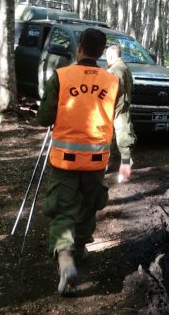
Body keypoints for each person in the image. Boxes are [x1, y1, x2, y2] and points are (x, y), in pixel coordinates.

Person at [36, 28, 135, 296]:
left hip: (64, 162)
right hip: (95, 162)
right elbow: (122, 121)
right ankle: (80, 250)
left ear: (79, 48)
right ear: (101, 52)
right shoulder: (112, 81)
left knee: (64, 210)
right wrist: (125, 156)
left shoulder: (61, 76)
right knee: (88, 207)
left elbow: (44, 117)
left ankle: (66, 259)